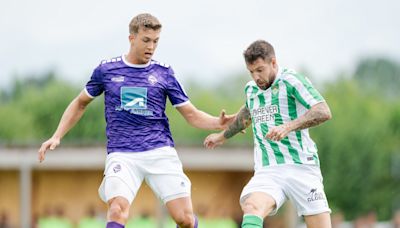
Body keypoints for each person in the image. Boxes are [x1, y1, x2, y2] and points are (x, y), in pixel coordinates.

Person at [38, 13, 233, 228]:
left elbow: (191, 114)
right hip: (122, 153)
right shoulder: (107, 70)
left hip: (159, 150)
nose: (151, 46)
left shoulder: (164, 73)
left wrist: (218, 123)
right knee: (117, 210)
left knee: (184, 219)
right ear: (132, 38)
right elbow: (80, 103)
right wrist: (57, 136)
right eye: (146, 40)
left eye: (156, 41)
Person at [204, 40, 332, 228]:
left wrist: (288, 127)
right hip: (269, 170)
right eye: (251, 72)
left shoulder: (292, 81)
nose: (256, 77)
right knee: (252, 206)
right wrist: (221, 136)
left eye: (260, 70)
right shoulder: (251, 90)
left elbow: (323, 111)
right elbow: (247, 114)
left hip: (302, 167)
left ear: (273, 63)